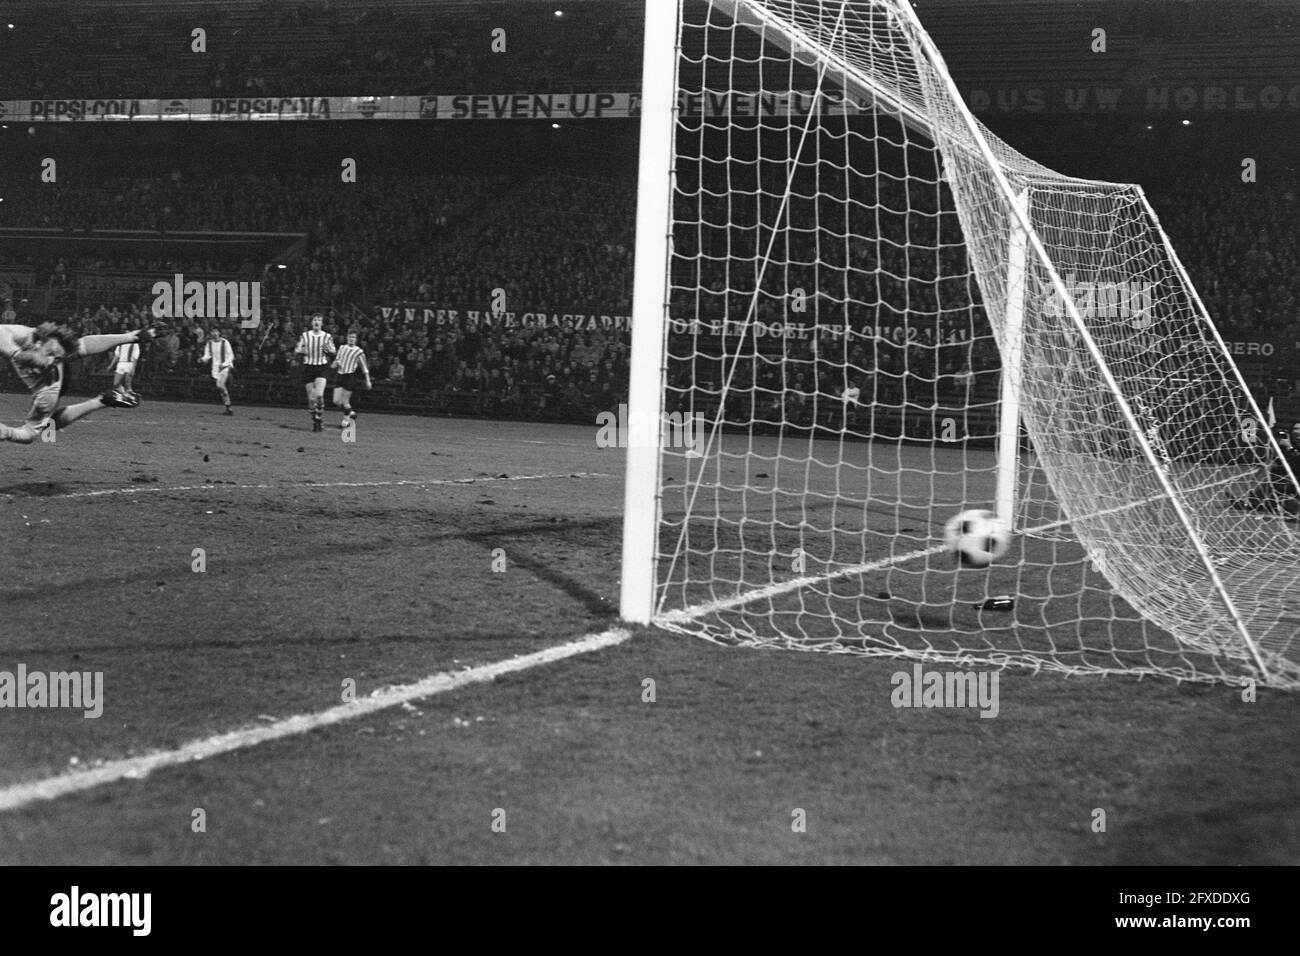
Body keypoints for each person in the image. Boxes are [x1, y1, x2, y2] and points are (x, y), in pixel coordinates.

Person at [0, 321, 154, 444]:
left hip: (48, 385)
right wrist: (131, 336)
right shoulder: (23, 334)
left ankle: (102, 400)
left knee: (38, 428)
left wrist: (7, 432)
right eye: (50, 352)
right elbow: (83, 345)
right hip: (43, 364)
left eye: (56, 357)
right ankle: (104, 400)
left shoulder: (48, 389)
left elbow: (29, 434)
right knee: (49, 422)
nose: (50, 359)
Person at [1233, 421, 1300, 516]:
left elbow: (1297, 463)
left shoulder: (1291, 445)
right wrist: (1278, 450)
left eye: (1299, 429)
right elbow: (1285, 462)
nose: (1297, 431)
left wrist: (1290, 447)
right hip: (1293, 474)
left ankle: (1256, 502)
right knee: (1270, 470)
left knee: (1277, 480)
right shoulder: (1291, 442)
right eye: (1295, 428)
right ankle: (1257, 502)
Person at [294, 313, 336, 432]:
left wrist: (328, 349)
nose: (316, 322)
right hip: (308, 368)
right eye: (314, 320)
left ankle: (318, 418)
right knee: (311, 400)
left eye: (319, 320)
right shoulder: (305, 335)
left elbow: (333, 350)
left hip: (321, 367)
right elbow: (297, 349)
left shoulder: (327, 336)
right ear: (311, 323)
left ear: (322, 323)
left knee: (319, 395)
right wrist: (303, 350)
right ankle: (316, 419)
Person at [330, 330, 372, 427]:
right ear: (347, 338)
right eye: (350, 337)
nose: (351, 339)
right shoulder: (342, 348)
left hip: (350, 377)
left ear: (356, 339)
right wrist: (334, 364)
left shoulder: (359, 351)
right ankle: (351, 413)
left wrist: (368, 380)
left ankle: (346, 422)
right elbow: (336, 361)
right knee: (336, 401)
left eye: (353, 337)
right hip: (340, 375)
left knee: (345, 401)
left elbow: (364, 367)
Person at [199, 327, 235, 415]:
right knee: (221, 390)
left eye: (216, 331)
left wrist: (224, 364)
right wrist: (202, 359)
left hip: (224, 367)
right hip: (215, 369)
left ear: (219, 333)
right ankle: (228, 408)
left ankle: (229, 406)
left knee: (220, 385)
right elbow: (207, 355)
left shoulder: (225, 342)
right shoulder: (209, 343)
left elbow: (231, 356)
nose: (214, 333)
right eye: (212, 331)